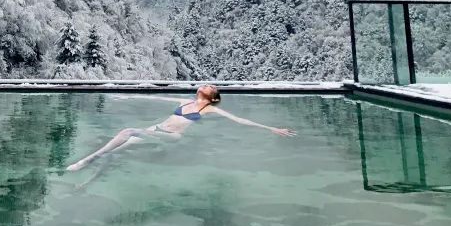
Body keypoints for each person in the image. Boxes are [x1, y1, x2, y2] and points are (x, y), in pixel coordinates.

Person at [65, 84, 295, 172]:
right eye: (205, 84)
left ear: (212, 97)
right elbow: (155, 100)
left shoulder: (209, 110)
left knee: (127, 131)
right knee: (116, 149)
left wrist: (270, 128)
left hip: (172, 137)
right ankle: (90, 170)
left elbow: (240, 121)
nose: (204, 86)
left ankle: (84, 161)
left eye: (209, 87)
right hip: (156, 130)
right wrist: (125, 97)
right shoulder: (182, 101)